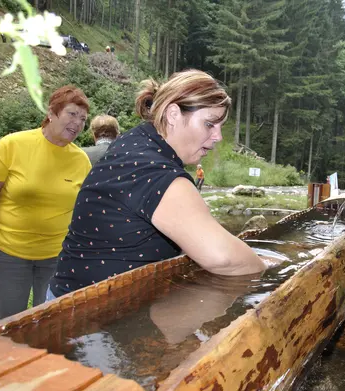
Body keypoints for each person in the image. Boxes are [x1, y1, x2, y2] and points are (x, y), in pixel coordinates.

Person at [46, 69, 267, 300]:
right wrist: (270, 270)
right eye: (210, 124)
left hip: (71, 296)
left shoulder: (137, 141)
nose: (218, 136)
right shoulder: (153, 171)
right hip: (85, 311)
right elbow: (223, 258)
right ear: (173, 114)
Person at [0, 85, 91, 322]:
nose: (77, 123)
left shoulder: (81, 160)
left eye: (83, 119)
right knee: (6, 324)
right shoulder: (13, 145)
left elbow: (84, 212)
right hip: (8, 254)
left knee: (52, 323)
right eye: (72, 114)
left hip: (57, 257)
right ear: (51, 113)